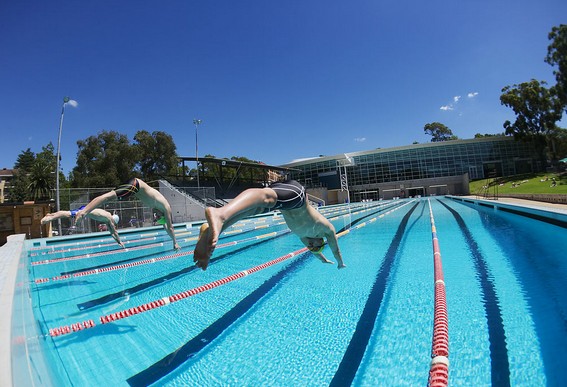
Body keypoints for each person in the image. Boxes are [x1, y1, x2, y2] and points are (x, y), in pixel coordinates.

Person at [194, 180, 346, 271]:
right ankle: (220, 214)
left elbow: (316, 253)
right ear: (320, 240)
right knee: (266, 197)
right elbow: (335, 248)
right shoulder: (325, 228)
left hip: (283, 204)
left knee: (251, 210)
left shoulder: (304, 237)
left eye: (311, 247)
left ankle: (210, 230)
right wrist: (340, 262)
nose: (311, 245)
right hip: (296, 196)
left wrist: (323, 260)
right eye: (315, 246)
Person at [75, 178, 181, 250]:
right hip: (135, 185)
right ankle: (83, 212)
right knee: (107, 197)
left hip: (134, 187)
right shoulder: (166, 207)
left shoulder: (160, 208)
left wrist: (172, 240)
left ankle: (84, 212)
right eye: (158, 217)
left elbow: (165, 227)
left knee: (108, 199)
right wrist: (175, 242)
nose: (155, 216)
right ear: (163, 215)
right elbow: (169, 227)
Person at [42, 207, 124, 248]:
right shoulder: (109, 220)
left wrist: (117, 241)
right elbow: (114, 231)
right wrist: (120, 242)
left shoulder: (107, 216)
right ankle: (50, 217)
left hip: (86, 209)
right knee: (68, 214)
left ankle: (51, 215)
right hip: (84, 211)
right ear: (114, 221)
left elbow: (112, 232)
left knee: (68, 213)